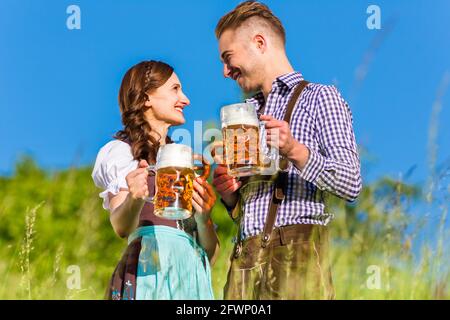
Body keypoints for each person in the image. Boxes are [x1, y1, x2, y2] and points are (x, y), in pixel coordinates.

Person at [212, 1, 362, 299]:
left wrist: (295, 149)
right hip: (244, 262)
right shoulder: (244, 113)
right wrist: (230, 197)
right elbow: (252, 211)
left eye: (228, 58)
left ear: (259, 43)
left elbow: (351, 182)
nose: (225, 72)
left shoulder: (320, 98)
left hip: (299, 256)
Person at [92, 60, 219, 300]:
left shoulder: (180, 162)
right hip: (149, 273)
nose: (185, 99)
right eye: (175, 89)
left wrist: (204, 220)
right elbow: (121, 227)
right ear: (145, 97)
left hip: (191, 277)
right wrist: (134, 198)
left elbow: (211, 256)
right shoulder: (121, 152)